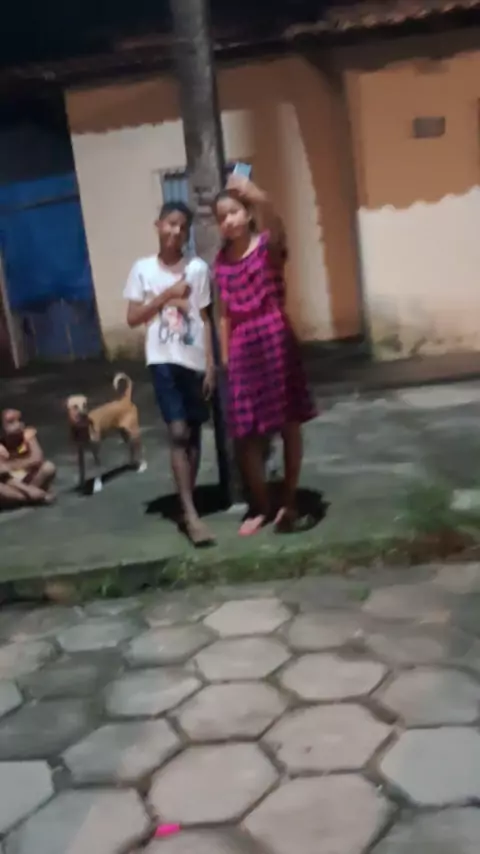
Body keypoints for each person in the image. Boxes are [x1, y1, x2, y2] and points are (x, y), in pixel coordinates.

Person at [213, 174, 315, 536]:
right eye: (221, 217)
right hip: (242, 345)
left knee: (289, 423)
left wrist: (258, 195)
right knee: (245, 433)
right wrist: (226, 359)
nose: (228, 221)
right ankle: (260, 504)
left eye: (234, 212)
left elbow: (277, 224)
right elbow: (224, 313)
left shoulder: (267, 246)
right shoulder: (220, 262)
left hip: (274, 337)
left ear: (247, 213)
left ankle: (288, 499)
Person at [125, 201, 215, 546]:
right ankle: (190, 515)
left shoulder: (197, 269)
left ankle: (186, 502)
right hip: (162, 360)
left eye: (182, 226)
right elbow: (133, 318)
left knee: (194, 433)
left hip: (194, 360)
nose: (175, 231)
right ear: (158, 225)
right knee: (177, 432)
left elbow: (204, 318)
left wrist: (210, 364)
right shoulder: (143, 269)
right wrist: (166, 295)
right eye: (170, 223)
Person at [0, 408, 56, 508]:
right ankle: (32, 497)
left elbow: (37, 458)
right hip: (10, 483)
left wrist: (10, 466)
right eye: (11, 422)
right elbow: (5, 476)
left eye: (19, 420)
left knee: (48, 467)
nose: (17, 425)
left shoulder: (28, 435)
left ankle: (26, 498)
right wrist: (28, 490)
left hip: (27, 477)